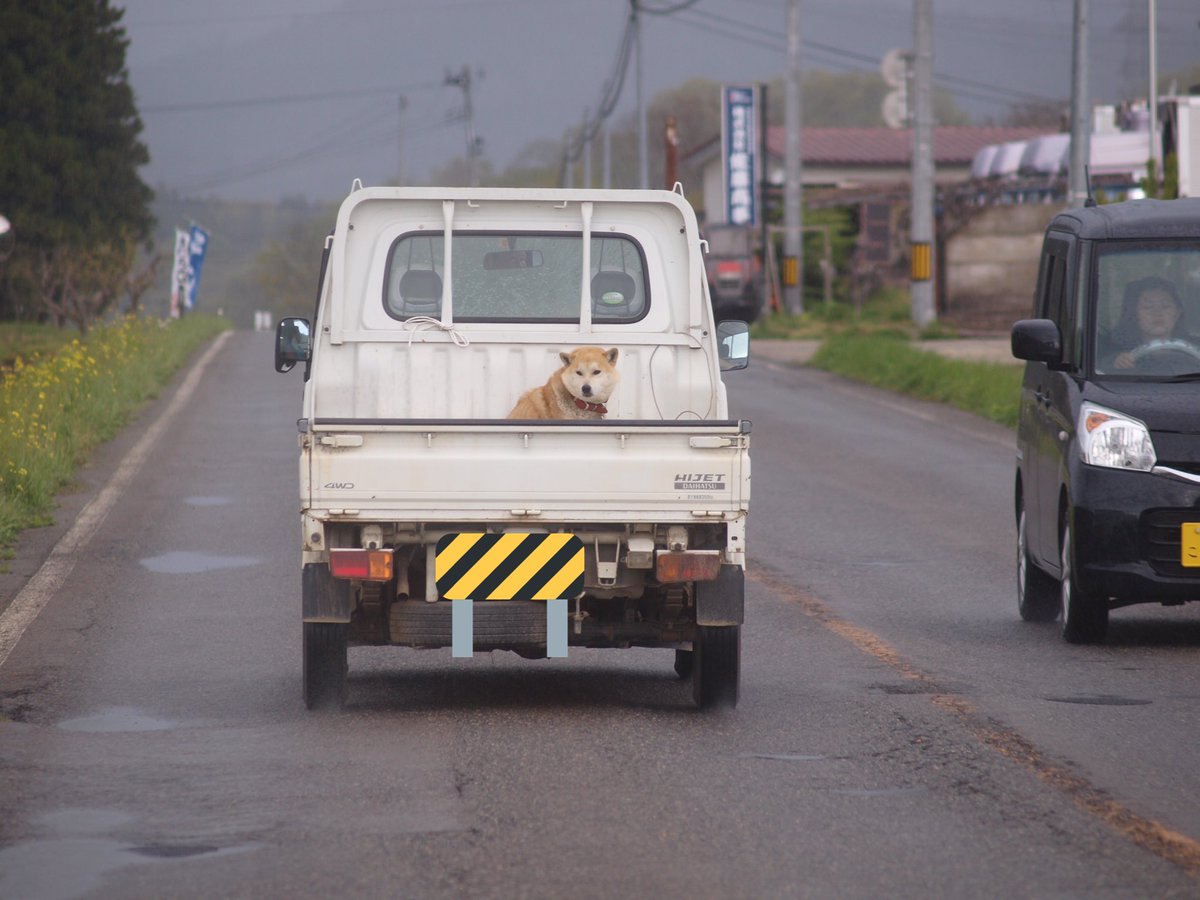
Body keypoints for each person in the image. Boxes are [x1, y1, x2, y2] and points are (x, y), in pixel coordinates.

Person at [1107, 276, 1195, 370]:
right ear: (1134, 314)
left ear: (1177, 313)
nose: (1157, 313)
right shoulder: (1119, 355)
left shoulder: (1195, 349)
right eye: (1148, 307)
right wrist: (1117, 363)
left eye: (1165, 306)